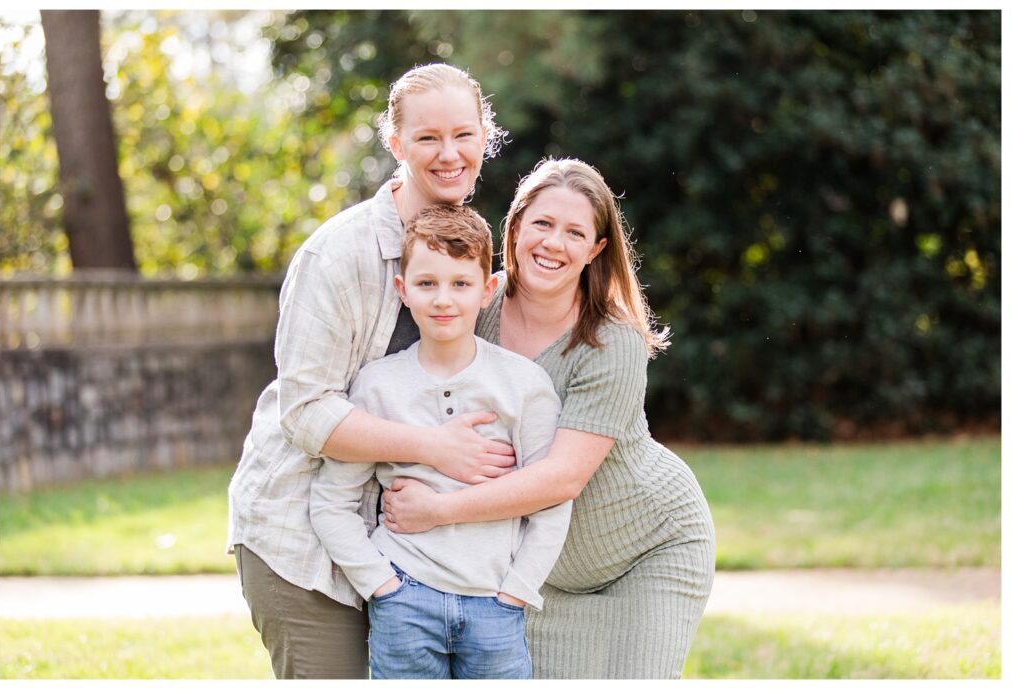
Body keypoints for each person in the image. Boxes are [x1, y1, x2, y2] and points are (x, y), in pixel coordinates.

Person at [226, 63, 513, 679]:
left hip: (412, 555)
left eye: (464, 135)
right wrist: (436, 449)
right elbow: (304, 411)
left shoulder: (469, 249)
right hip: (302, 539)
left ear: (486, 137)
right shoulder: (339, 254)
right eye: (427, 138)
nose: (449, 154)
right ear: (395, 143)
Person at [381, 158, 717, 679]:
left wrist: (437, 510)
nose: (553, 243)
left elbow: (563, 477)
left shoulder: (613, 341)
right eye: (541, 224)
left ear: (596, 249)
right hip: (540, 566)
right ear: (514, 229)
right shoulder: (470, 303)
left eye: (574, 232)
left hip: (646, 550)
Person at [309, 204, 571, 679]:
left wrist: (515, 591)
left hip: (495, 603)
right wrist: (382, 586)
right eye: (427, 283)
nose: (443, 299)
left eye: (460, 284)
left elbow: (550, 503)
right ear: (402, 290)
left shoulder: (524, 386)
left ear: (487, 290)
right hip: (404, 600)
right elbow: (332, 502)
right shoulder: (377, 386)